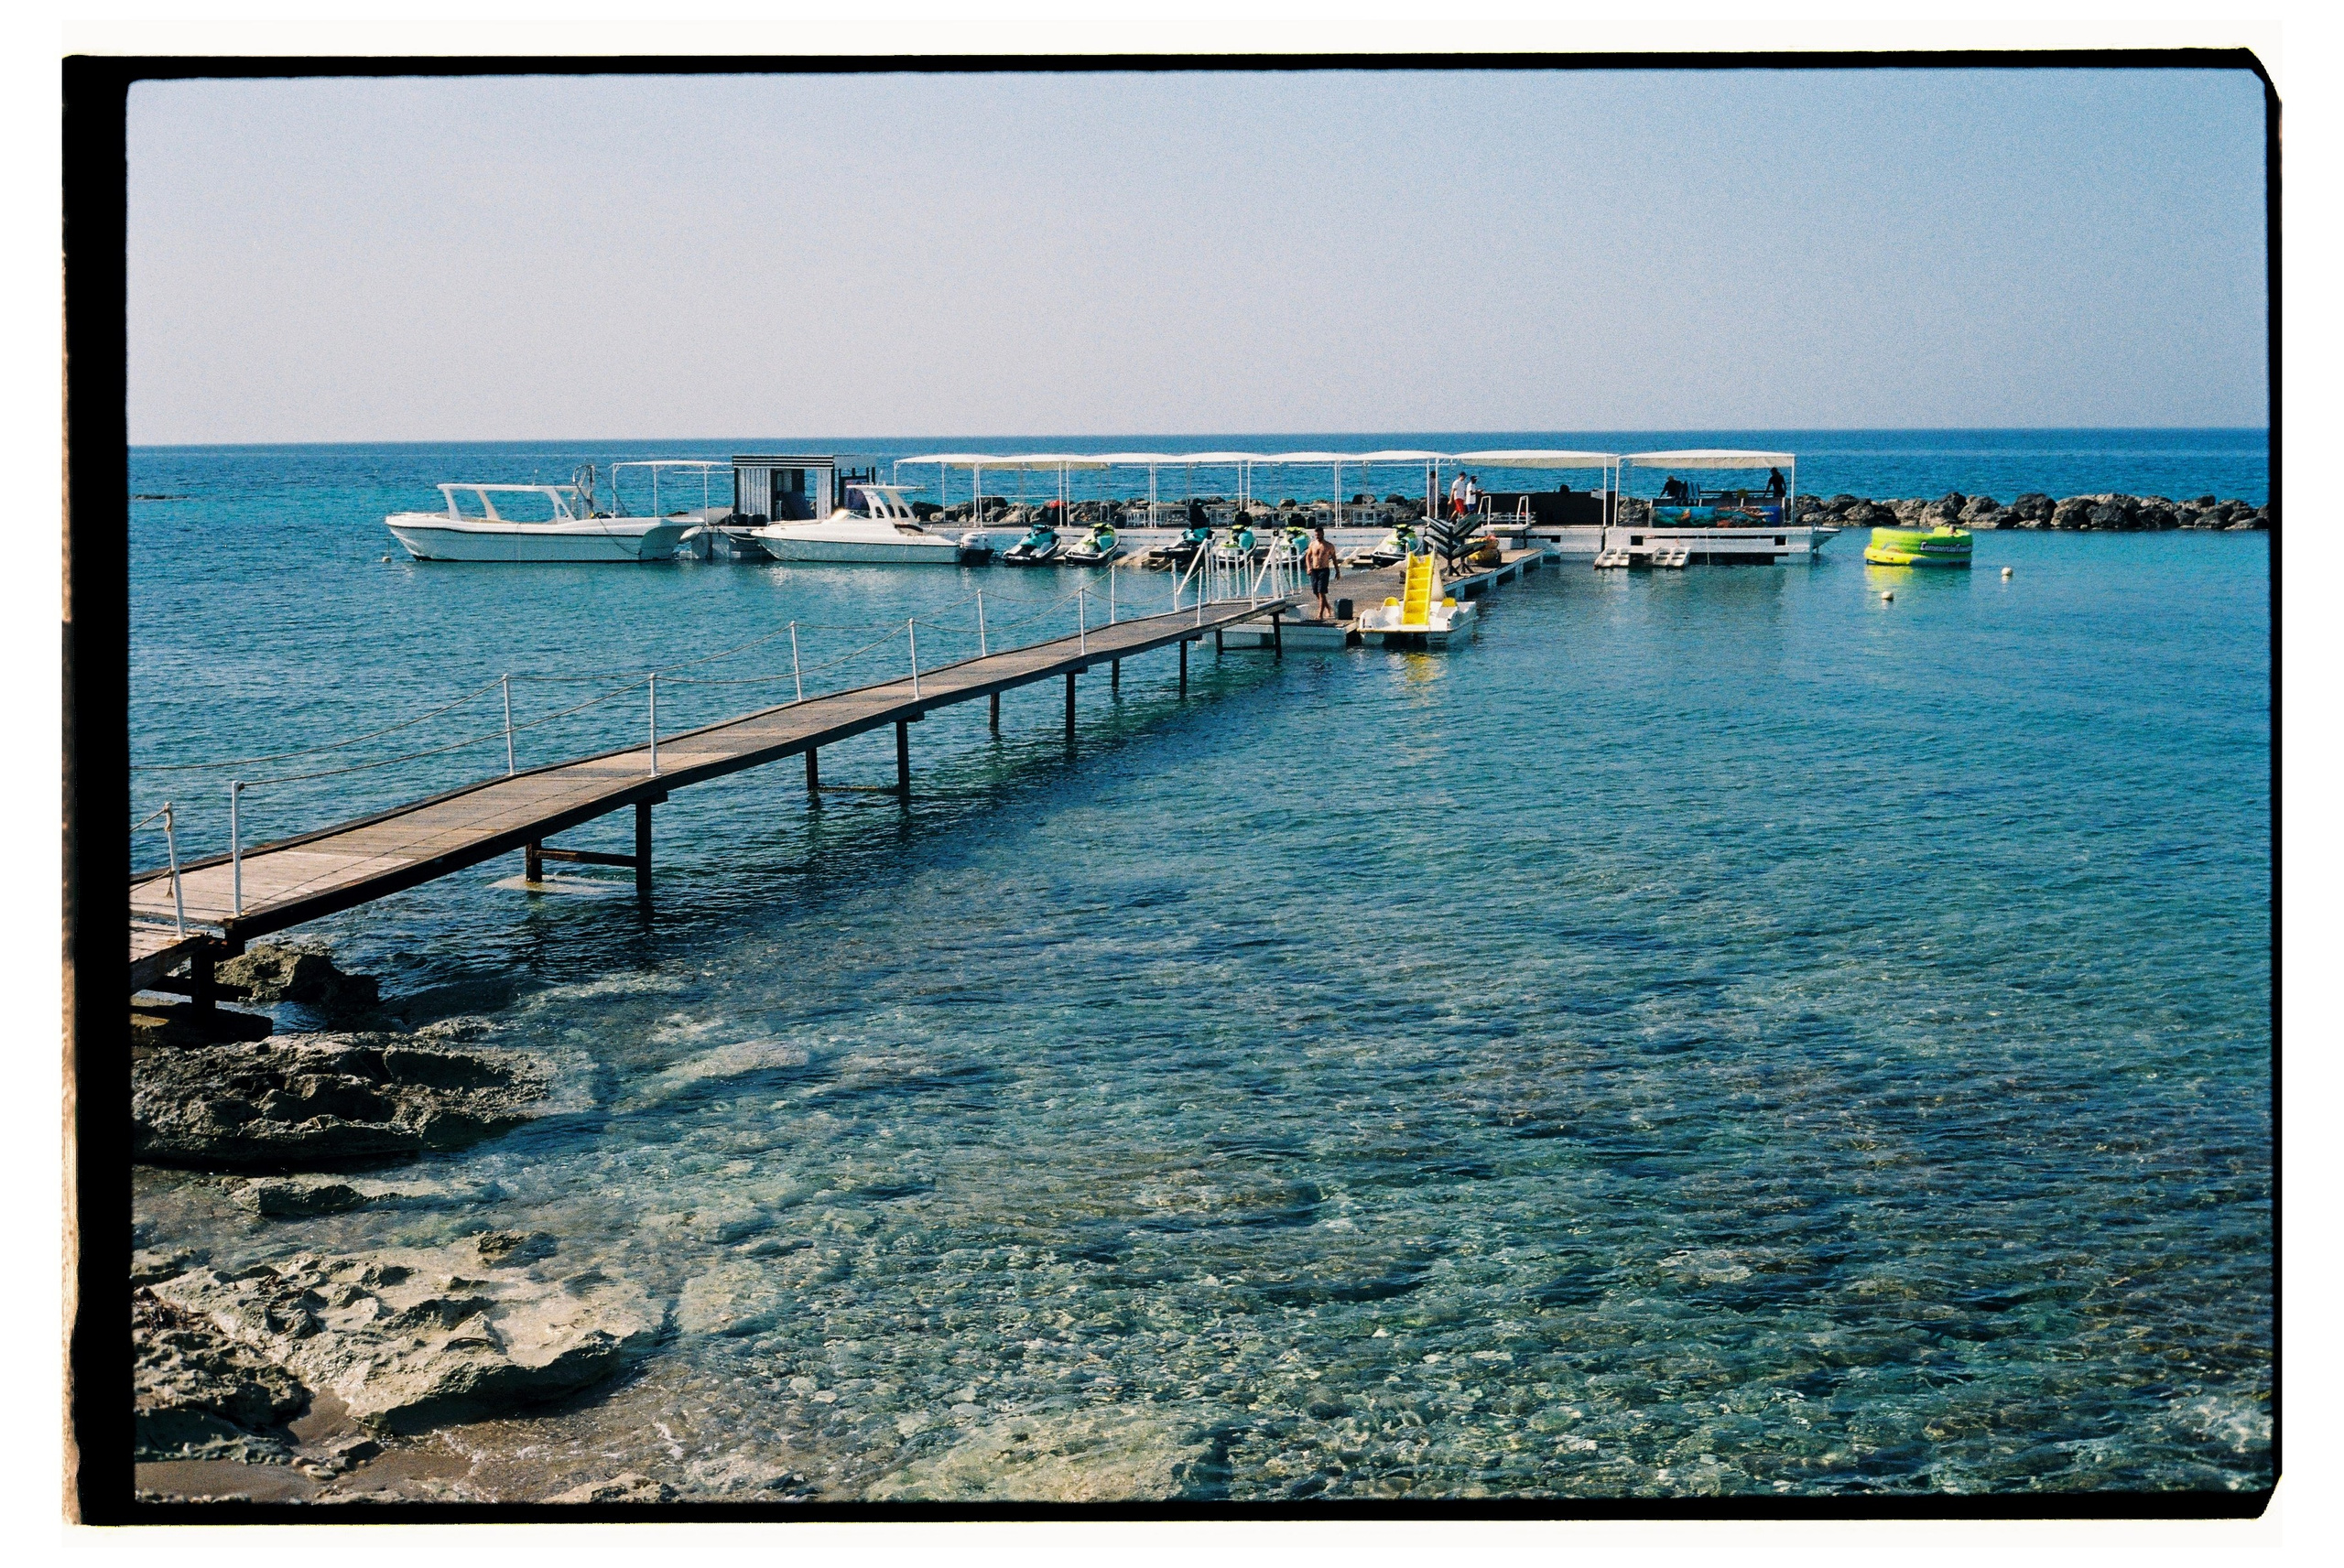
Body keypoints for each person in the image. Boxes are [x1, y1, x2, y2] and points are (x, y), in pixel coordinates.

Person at [1304, 525, 1341, 622]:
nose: (1317, 536)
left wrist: (1337, 571)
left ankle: (1320, 614)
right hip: (1314, 570)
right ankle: (1328, 607)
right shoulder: (1312, 544)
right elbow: (1308, 557)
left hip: (1324, 570)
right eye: (1316, 535)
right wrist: (1308, 567)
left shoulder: (1329, 546)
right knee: (1316, 592)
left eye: (1319, 534)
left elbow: (1334, 559)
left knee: (1321, 592)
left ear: (1323, 534)